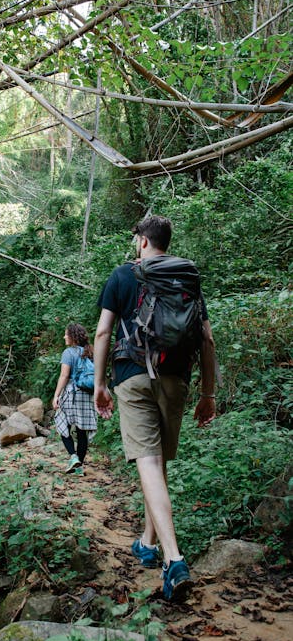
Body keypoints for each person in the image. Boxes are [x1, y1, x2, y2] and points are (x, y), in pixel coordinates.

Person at [93, 215, 216, 602]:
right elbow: (207, 340)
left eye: (136, 240)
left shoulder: (123, 275)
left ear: (143, 241)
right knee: (158, 463)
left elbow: (102, 332)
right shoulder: (187, 278)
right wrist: (208, 393)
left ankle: (174, 559)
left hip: (132, 375)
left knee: (148, 463)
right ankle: (147, 543)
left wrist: (99, 384)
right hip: (176, 378)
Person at [52, 323, 98, 476]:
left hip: (72, 393)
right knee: (81, 430)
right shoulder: (90, 351)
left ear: (72, 336)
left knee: (61, 422)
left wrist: (56, 395)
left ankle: (73, 456)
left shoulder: (68, 352)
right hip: (87, 394)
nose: (64, 337)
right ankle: (79, 467)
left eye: (66, 334)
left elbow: (64, 375)